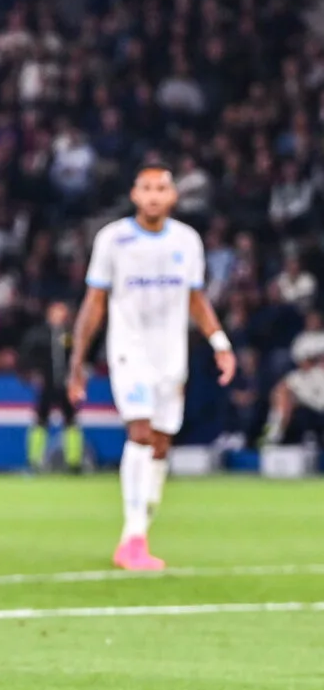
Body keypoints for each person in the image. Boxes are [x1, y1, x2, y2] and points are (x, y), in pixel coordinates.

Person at [69, 164, 236, 570]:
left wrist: (220, 343)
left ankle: (141, 523)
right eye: (147, 188)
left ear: (173, 197)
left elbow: (196, 299)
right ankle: (133, 538)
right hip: (129, 350)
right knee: (140, 432)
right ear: (134, 195)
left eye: (162, 188)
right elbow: (95, 302)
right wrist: (78, 360)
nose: (154, 195)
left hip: (170, 356)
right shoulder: (114, 240)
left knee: (161, 443)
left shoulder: (187, 241)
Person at [20, 300, 84, 471]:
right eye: (56, 312)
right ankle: (34, 460)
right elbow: (27, 355)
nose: (60, 316)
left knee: (71, 421)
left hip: (66, 384)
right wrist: (32, 373)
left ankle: (74, 462)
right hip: (47, 384)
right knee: (41, 421)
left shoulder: (71, 334)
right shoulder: (39, 334)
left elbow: (79, 357)